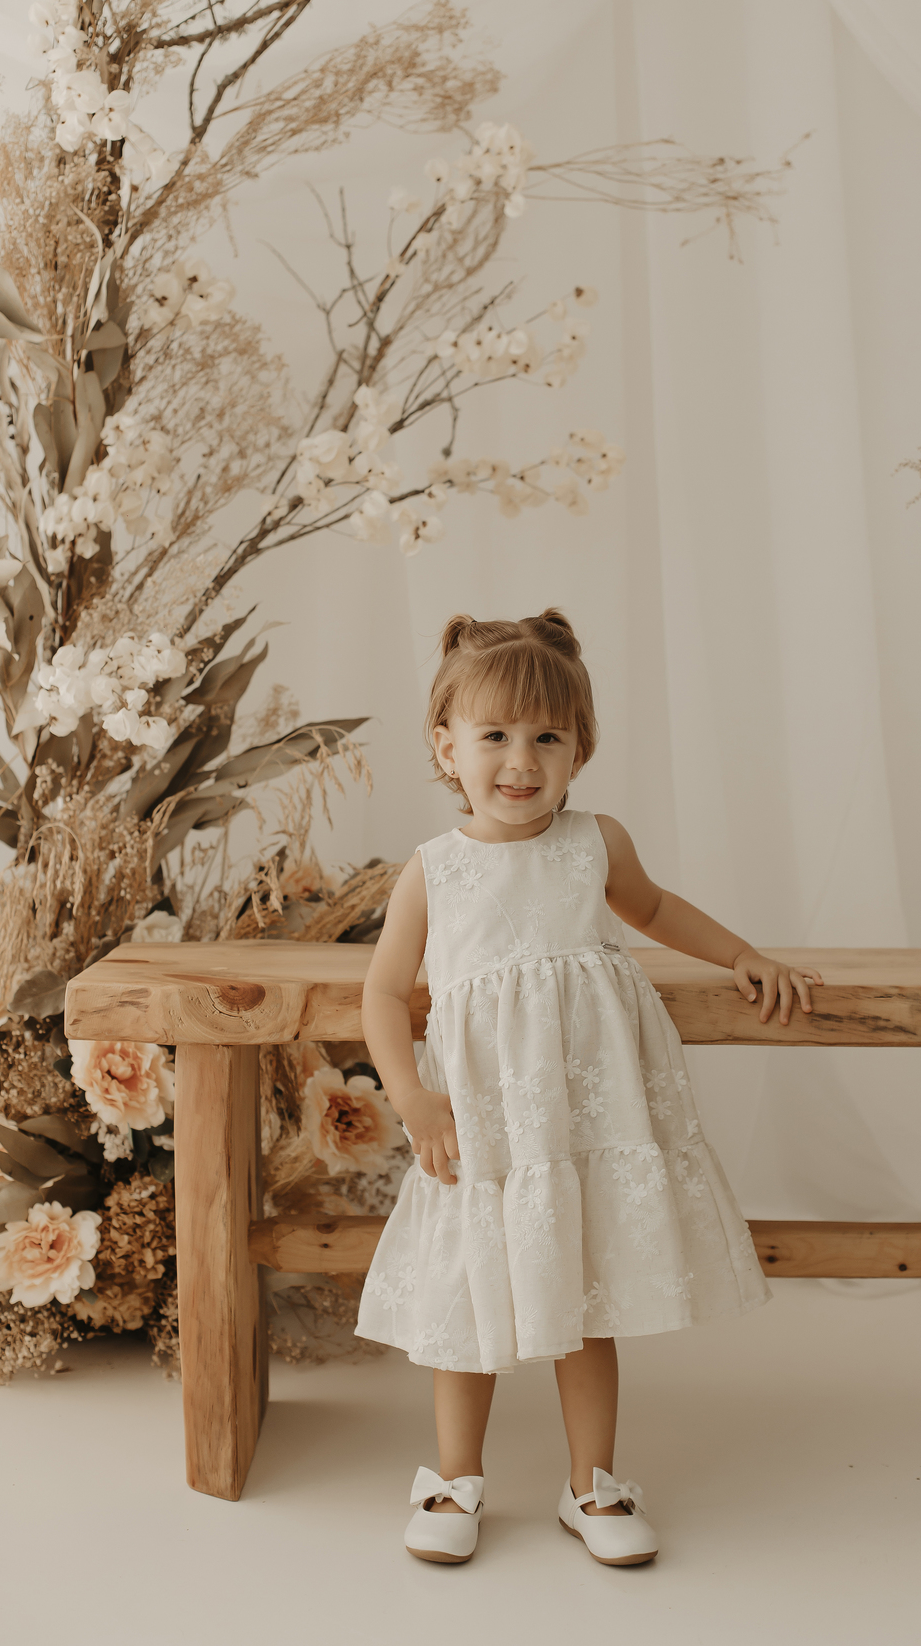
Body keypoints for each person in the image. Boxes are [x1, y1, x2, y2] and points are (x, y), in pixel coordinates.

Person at [355, 609, 821, 1566]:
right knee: (472, 1302)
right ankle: (454, 1479)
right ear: (447, 747)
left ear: (581, 750)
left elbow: (656, 909)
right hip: (485, 1128)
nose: (520, 761)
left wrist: (743, 954)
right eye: (494, 735)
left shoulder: (593, 843)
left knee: (586, 1297)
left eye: (547, 738)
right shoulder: (435, 872)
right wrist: (411, 1098)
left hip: (580, 1123)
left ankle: (592, 1486)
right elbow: (383, 992)